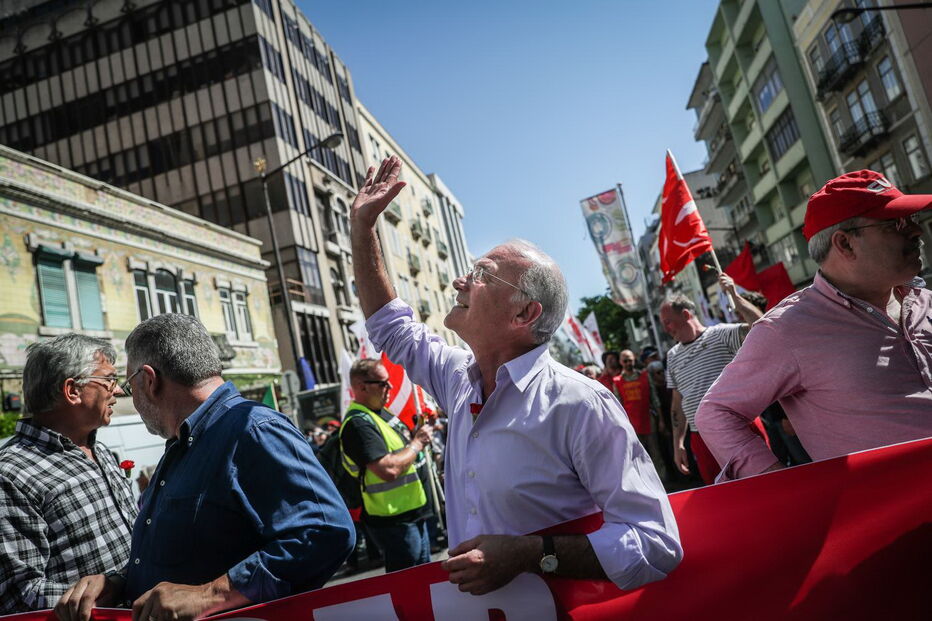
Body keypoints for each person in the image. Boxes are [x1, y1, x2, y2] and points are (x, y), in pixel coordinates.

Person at [350, 156, 681, 595]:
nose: (459, 282)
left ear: (524, 313)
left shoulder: (579, 403)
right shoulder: (457, 377)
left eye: (482, 274)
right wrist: (363, 227)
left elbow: (655, 542)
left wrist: (531, 554)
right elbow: (391, 326)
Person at [55, 314, 354, 621]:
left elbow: (326, 532)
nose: (123, 394)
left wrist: (211, 595)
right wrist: (118, 583)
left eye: (129, 385)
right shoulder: (185, 443)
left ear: (150, 380)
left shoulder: (253, 429)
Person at [696, 170, 932, 479]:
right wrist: (784, 485)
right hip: (892, 521)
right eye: (896, 224)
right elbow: (716, 413)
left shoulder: (924, 299)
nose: (916, 231)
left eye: (911, 219)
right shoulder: (787, 329)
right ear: (845, 244)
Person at [0, 335, 136, 613]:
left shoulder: (99, 450)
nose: (118, 391)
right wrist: (112, 590)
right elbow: (18, 596)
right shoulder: (12, 475)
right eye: (109, 380)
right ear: (72, 390)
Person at [660, 276, 763, 484]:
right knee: (722, 497)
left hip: (739, 427)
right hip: (701, 438)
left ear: (686, 314)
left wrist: (734, 295)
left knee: (764, 485)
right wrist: (678, 443)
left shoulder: (721, 334)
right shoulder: (671, 356)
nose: (666, 328)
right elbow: (677, 403)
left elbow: (762, 326)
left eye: (668, 321)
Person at [339, 359, 435, 572]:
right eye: (382, 383)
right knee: (409, 587)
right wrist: (417, 443)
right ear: (362, 387)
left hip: (413, 511)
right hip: (394, 521)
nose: (389, 388)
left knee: (425, 582)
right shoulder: (358, 423)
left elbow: (402, 451)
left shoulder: (381, 413)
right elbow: (387, 470)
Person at [613, 350, 666, 480]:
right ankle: (645, 481)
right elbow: (617, 407)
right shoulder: (617, 381)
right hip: (631, 425)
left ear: (634, 360)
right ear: (621, 362)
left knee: (656, 453)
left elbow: (654, 399)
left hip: (649, 421)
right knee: (637, 456)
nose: (627, 363)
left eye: (629, 360)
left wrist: (661, 420)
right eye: (625, 360)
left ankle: (663, 481)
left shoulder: (645, 376)